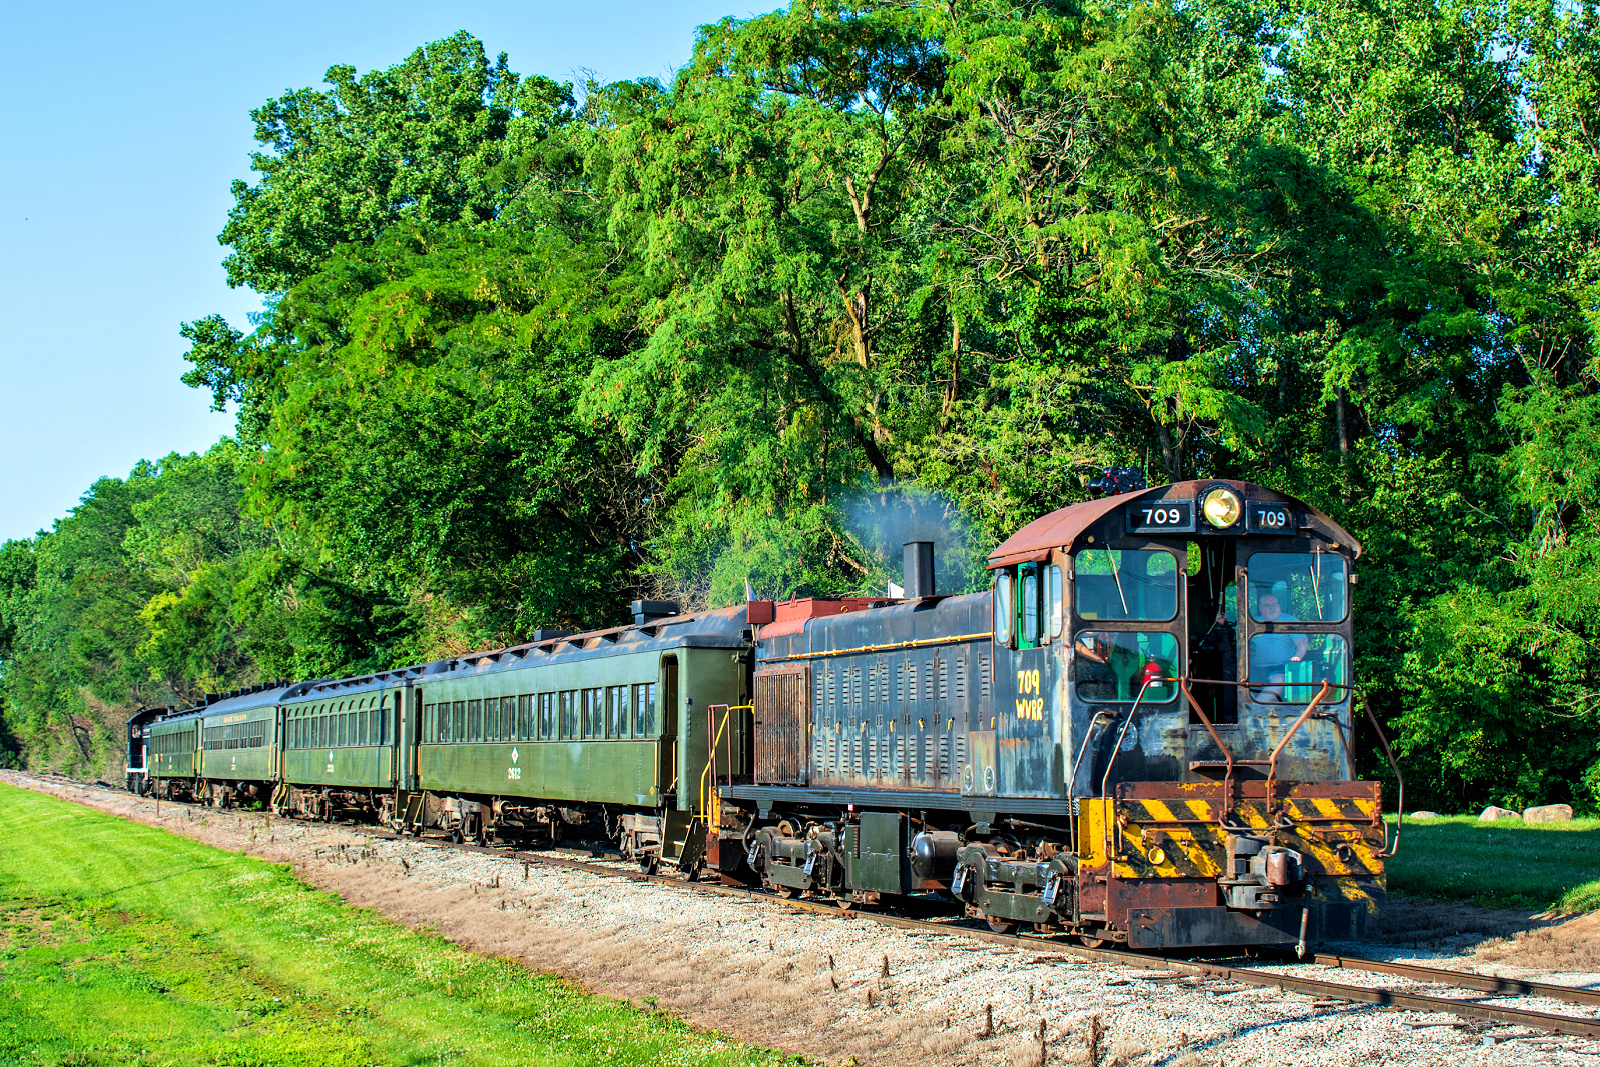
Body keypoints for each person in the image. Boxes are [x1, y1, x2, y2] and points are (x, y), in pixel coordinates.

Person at [1248, 593, 1307, 702]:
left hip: (1278, 667)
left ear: (1279, 606)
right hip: (1252, 669)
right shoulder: (1252, 623)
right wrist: (1223, 623)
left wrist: (1298, 655)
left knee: (1280, 679)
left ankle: (1256, 709)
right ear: (1260, 608)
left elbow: (1302, 641)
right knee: (1240, 678)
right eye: (1267, 605)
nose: (1271, 607)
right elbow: (1237, 638)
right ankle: (1247, 707)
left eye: (1274, 604)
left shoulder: (1289, 621)